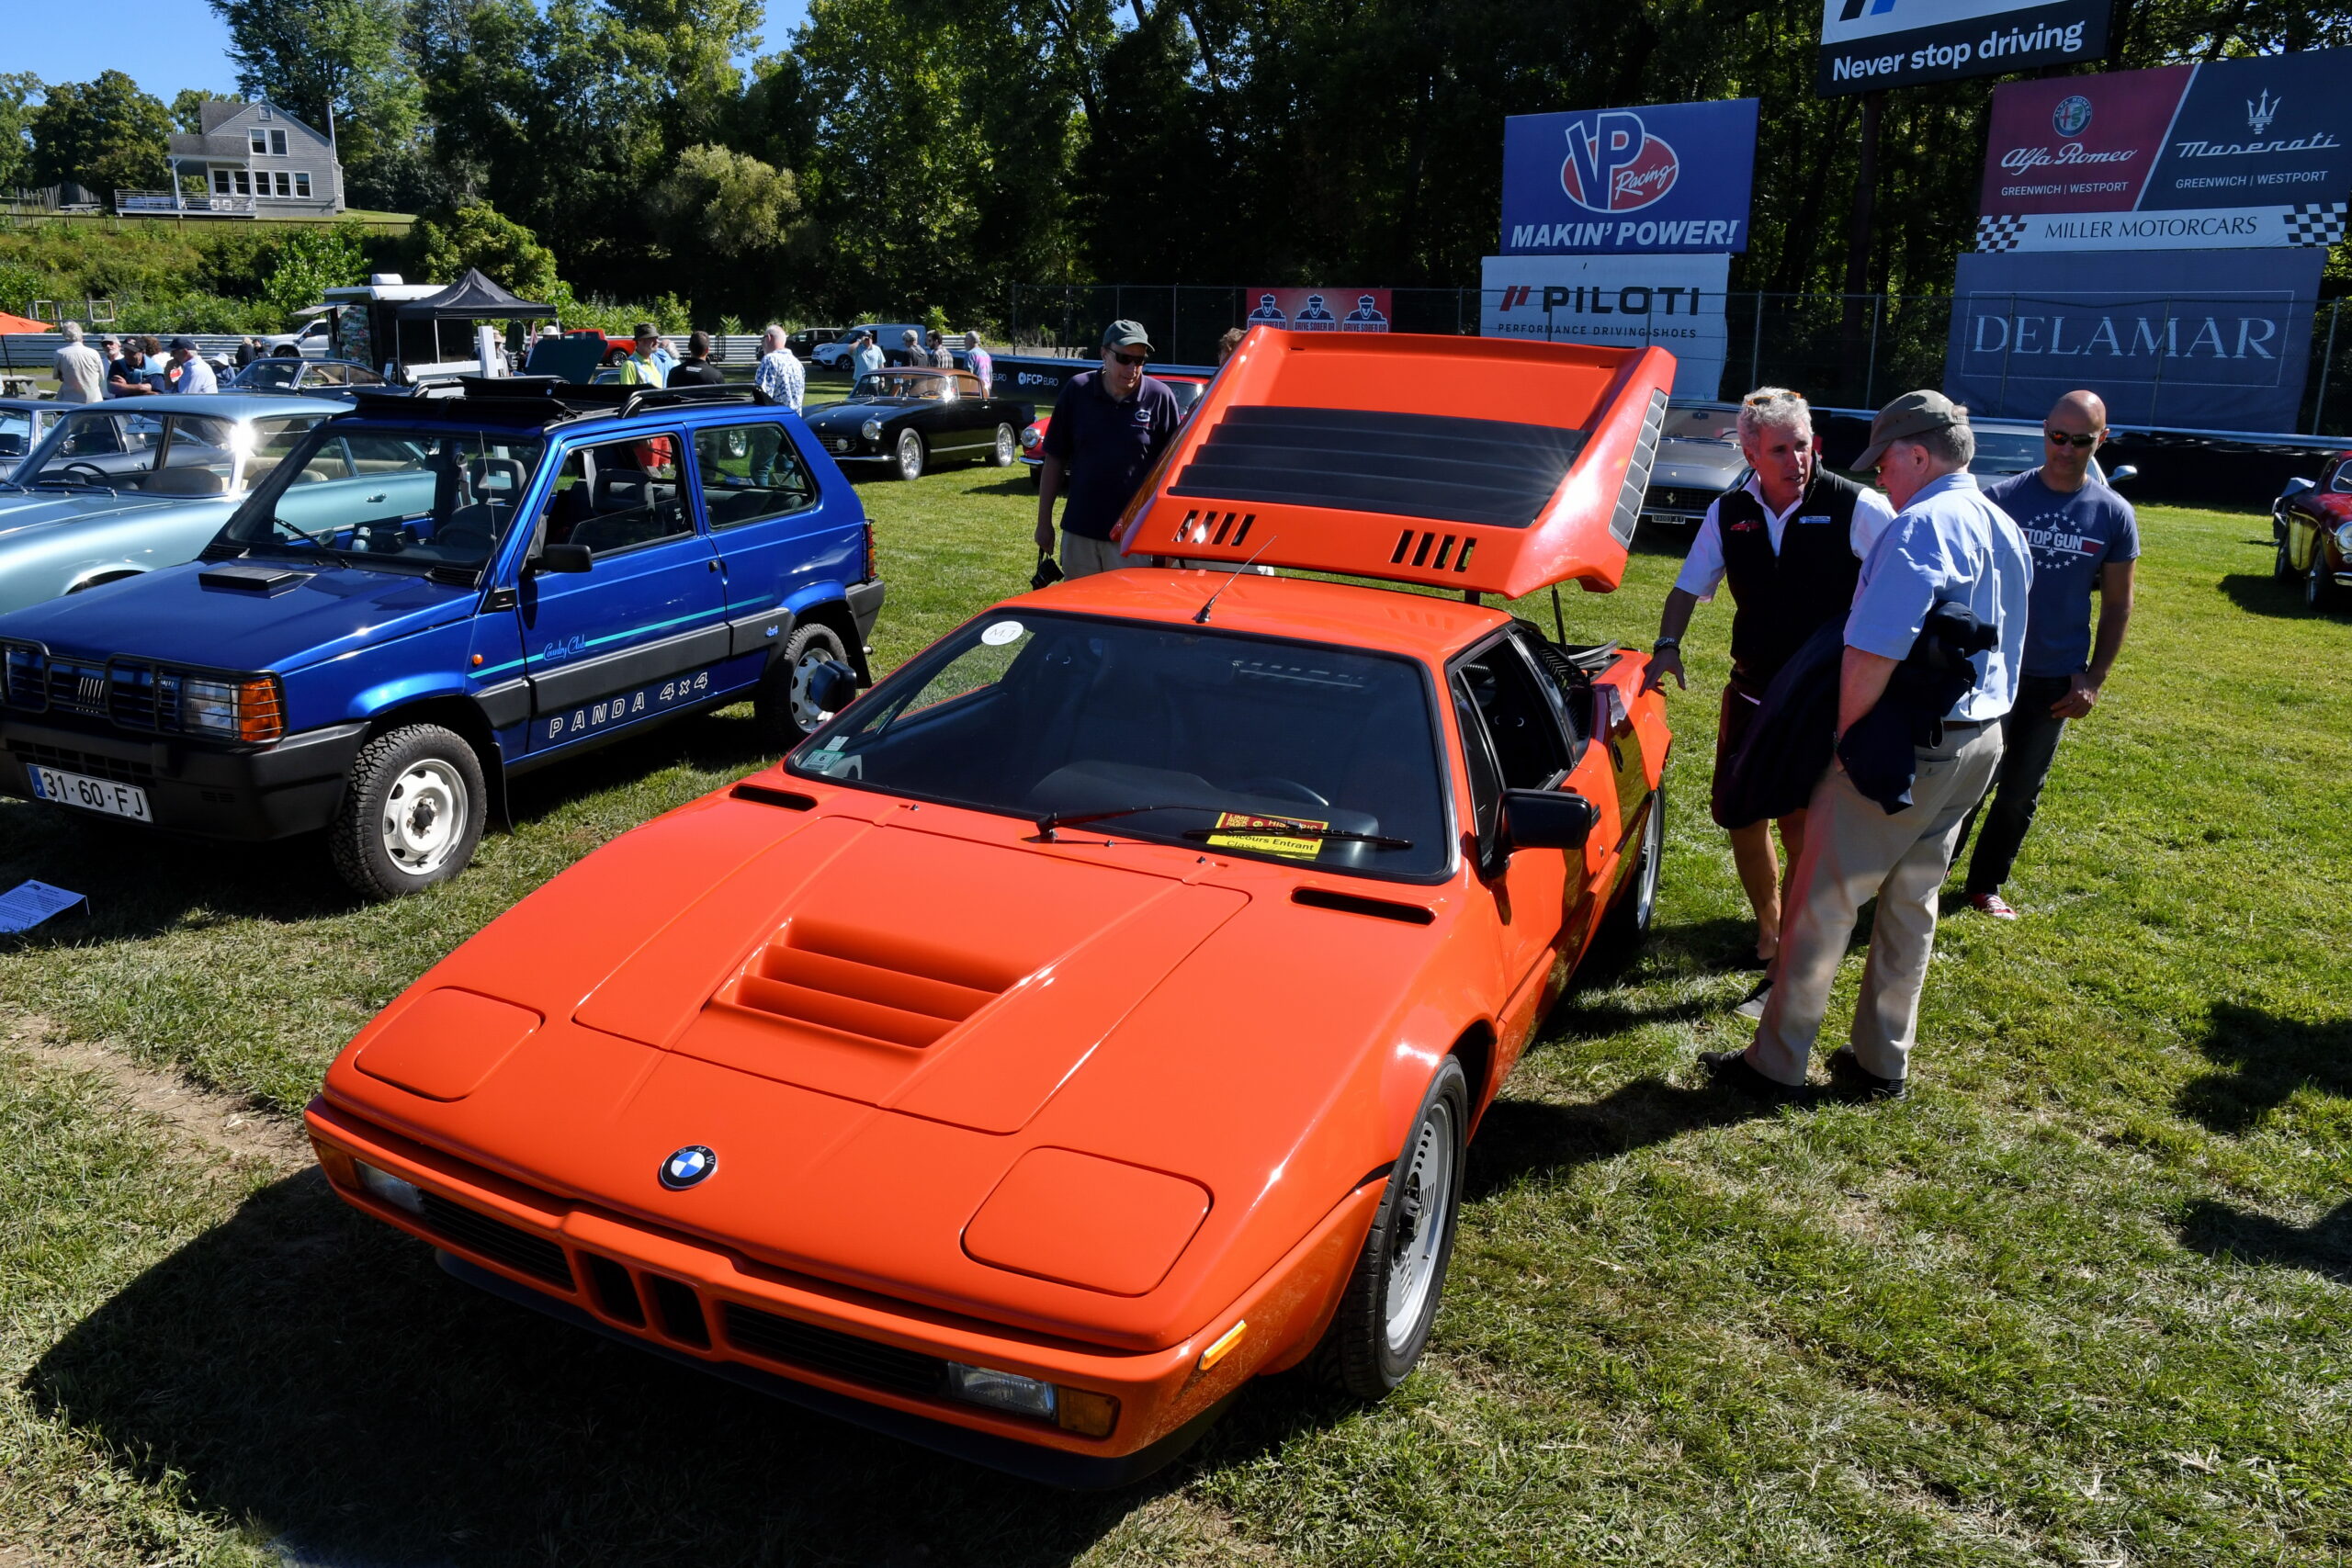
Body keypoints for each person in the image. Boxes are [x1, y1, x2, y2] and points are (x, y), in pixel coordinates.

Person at [1700, 392, 2030, 1102]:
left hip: (1906, 744)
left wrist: (1846, 741)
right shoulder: (2002, 523)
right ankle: (1882, 1061)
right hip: (1979, 742)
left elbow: (1871, 652)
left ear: (1919, 454)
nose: (1879, 475)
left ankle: (1775, 1063)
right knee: (1912, 903)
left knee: (1821, 902)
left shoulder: (1919, 527)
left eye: (1886, 461)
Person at [1643, 388, 1895, 972]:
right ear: (1750, 453)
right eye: (1780, 449)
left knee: (1799, 820)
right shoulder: (1729, 512)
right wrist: (1667, 646)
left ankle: (1800, 935)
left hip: (1822, 696)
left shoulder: (1857, 506)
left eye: (1803, 445)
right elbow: (1687, 586)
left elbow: (1900, 587)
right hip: (1753, 691)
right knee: (1740, 814)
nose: (1796, 460)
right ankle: (1770, 924)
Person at [1959, 390, 2138, 919]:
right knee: (1967, 783)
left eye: (2080, 440)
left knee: (2019, 792)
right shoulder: (2001, 499)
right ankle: (1925, 876)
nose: (2066, 449)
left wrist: (2093, 678)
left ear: (2101, 440)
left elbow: (2118, 606)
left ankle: (1985, 886)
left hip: (2055, 680)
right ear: (2045, 431)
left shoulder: (2113, 514)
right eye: (2058, 436)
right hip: (1992, 671)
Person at [1034, 320, 1184, 579]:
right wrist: (1043, 522)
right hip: (1080, 532)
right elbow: (1055, 459)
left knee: (1130, 605)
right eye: (1124, 358)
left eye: (1139, 360)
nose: (1132, 368)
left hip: (1133, 538)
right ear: (1104, 354)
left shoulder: (1160, 397)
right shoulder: (1077, 390)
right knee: (1079, 603)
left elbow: (1174, 470)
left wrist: (1170, 531)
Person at [753, 323, 805, 412]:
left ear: (769, 338)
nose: (762, 343)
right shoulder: (797, 363)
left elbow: (761, 395)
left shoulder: (770, 359)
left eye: (762, 339)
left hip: (774, 417)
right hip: (793, 418)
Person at [52, 321, 105, 403]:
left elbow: (57, 376)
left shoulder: (60, 353)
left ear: (64, 335)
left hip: (70, 398)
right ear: (81, 334)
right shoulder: (93, 353)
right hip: (94, 399)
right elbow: (101, 376)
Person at [616, 322, 667, 387]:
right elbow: (628, 392)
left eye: (657, 338)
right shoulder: (630, 365)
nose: (657, 341)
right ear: (640, 340)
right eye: (652, 338)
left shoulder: (651, 362)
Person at [964, 331, 992, 397]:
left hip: (975, 392)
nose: (964, 341)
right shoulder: (986, 355)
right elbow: (990, 374)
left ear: (970, 340)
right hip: (986, 390)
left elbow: (968, 375)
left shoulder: (970, 354)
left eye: (965, 339)